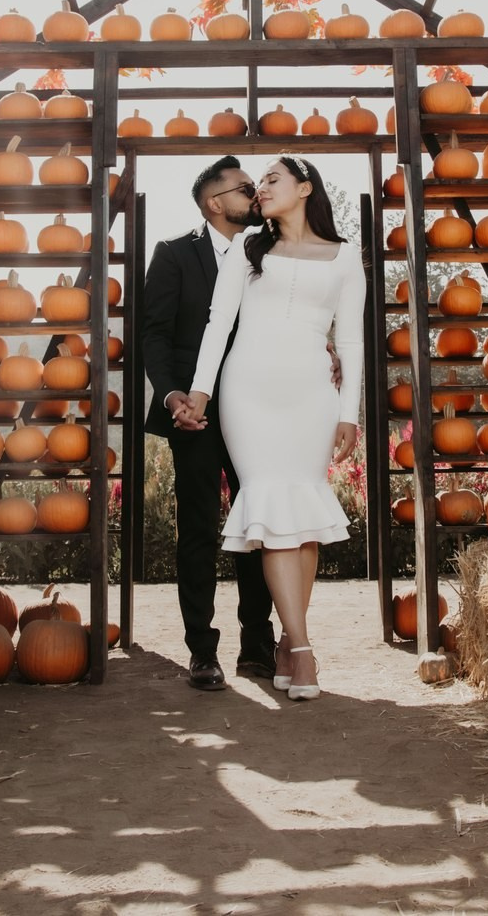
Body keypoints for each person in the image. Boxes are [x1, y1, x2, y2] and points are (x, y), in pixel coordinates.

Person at [180, 155, 365, 702]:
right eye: (256, 182)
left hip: (312, 394)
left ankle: (288, 640)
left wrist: (348, 411)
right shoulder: (247, 248)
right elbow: (217, 324)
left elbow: (350, 341)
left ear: (305, 188)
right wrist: (200, 392)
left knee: (302, 518)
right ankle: (302, 648)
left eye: (271, 179)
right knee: (271, 505)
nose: (260, 189)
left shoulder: (346, 256)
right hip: (249, 392)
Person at [141, 157, 277, 691]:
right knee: (198, 528)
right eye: (245, 189)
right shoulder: (174, 255)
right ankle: (202, 650)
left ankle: (258, 648)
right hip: (193, 415)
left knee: (257, 527)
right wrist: (174, 396)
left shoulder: (271, 252)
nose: (256, 196)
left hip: (260, 411)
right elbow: (156, 334)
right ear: (215, 203)